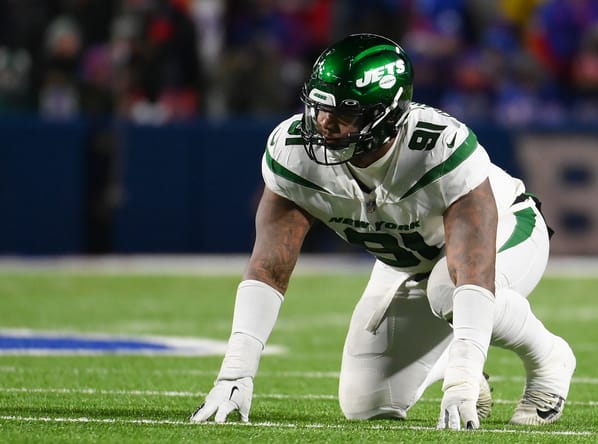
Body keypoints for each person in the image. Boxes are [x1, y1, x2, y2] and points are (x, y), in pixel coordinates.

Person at [190, 33, 576, 430]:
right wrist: (235, 374)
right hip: (410, 259)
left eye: (344, 113)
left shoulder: (438, 147)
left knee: (447, 291)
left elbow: (473, 272)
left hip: (505, 229)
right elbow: (268, 268)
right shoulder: (294, 153)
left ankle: (548, 357)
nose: (324, 124)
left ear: (386, 115)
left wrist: (461, 375)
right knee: (368, 404)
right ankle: (457, 360)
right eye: (319, 106)